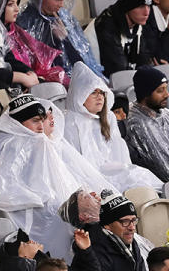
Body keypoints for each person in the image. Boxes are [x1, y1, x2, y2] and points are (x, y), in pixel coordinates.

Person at [0, 94, 113, 257]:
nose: (40, 127)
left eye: (42, 120)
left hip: (43, 206)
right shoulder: (16, 143)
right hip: (28, 214)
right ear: (19, 122)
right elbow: (9, 192)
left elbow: (58, 181)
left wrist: (79, 199)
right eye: (35, 121)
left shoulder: (22, 140)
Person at [64, 61, 162, 190]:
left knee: (140, 178)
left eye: (102, 93)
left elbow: (119, 154)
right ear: (79, 95)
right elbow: (74, 163)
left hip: (113, 172)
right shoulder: (70, 122)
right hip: (89, 179)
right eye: (93, 93)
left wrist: (123, 170)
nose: (99, 97)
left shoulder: (108, 117)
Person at [18, 0, 103, 78]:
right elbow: (38, 65)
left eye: (63, 0)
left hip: (73, 78)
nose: (61, 5)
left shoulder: (64, 18)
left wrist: (65, 39)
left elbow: (82, 63)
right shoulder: (25, 22)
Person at [0, 0, 67, 85]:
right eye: (10, 4)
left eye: (17, 3)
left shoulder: (15, 29)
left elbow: (39, 58)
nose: (17, 9)